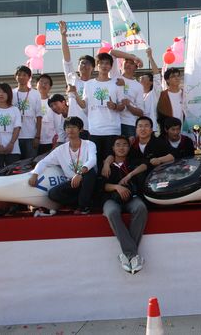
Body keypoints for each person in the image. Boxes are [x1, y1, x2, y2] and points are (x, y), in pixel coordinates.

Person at [28, 117, 97, 215]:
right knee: (53, 194)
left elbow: (92, 160)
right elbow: (44, 162)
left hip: (86, 180)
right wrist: (35, 174)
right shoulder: (60, 149)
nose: (70, 130)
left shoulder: (89, 144)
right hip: (72, 183)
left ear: (81, 129)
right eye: (68, 127)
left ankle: (83, 207)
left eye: (74, 127)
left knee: (90, 172)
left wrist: (79, 173)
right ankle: (81, 202)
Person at [101, 135, 149, 274]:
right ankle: (133, 256)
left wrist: (129, 175)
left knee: (140, 208)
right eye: (118, 145)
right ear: (113, 148)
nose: (121, 147)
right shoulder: (107, 165)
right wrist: (117, 187)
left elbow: (145, 165)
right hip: (111, 199)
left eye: (124, 144)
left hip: (131, 198)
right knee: (112, 212)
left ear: (129, 148)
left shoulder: (132, 161)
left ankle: (128, 255)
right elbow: (102, 186)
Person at [75, 52, 125, 169]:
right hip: (95, 130)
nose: (104, 66)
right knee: (95, 163)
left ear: (111, 66)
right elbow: (84, 105)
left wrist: (115, 106)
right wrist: (74, 94)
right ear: (97, 66)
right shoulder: (89, 84)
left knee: (110, 163)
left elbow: (123, 106)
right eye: (101, 63)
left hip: (112, 129)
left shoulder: (116, 83)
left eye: (107, 63)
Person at [60, 20, 95, 136]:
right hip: (72, 126)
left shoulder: (95, 84)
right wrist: (63, 36)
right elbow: (67, 59)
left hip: (90, 127)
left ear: (93, 68)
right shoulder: (72, 78)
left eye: (87, 63)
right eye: (81, 63)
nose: (84, 65)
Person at [12, 65, 42, 160]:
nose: (21, 77)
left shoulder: (35, 93)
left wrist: (37, 136)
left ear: (29, 77)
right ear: (15, 76)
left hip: (31, 135)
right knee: (15, 163)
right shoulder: (11, 93)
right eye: (19, 74)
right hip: (14, 136)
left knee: (30, 163)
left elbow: (39, 116)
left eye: (24, 75)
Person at [118, 56, 145, 140]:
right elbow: (112, 53)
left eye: (131, 63)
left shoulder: (138, 86)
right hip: (112, 123)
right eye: (126, 62)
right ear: (122, 64)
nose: (128, 64)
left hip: (129, 124)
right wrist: (136, 58)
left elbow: (141, 112)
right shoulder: (114, 78)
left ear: (136, 67)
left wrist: (129, 106)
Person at [139, 48, 162, 135]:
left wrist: (150, 57)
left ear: (151, 82)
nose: (140, 78)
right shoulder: (137, 95)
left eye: (143, 77)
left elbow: (157, 75)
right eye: (140, 78)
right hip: (139, 130)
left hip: (151, 130)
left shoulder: (154, 94)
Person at [37, 74, 60, 155]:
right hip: (34, 141)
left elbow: (58, 124)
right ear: (36, 84)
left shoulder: (53, 103)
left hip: (50, 142)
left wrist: (57, 142)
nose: (43, 85)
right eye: (41, 82)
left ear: (50, 87)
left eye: (46, 83)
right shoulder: (32, 101)